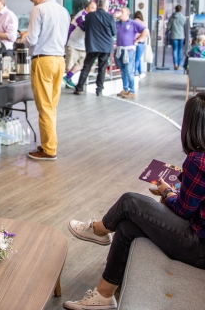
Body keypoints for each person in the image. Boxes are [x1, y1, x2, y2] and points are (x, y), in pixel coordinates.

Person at [64, 92, 205, 310]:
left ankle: (99, 230)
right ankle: (103, 296)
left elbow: (184, 210)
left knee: (130, 201)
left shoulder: (198, 159)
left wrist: (167, 192)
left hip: (198, 246)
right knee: (128, 225)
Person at [21, 0, 70, 161]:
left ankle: (49, 149)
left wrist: (23, 36)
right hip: (59, 60)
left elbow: (32, 39)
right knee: (51, 107)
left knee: (44, 107)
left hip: (43, 61)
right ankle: (48, 143)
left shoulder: (39, 9)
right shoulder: (64, 11)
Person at [73, 0, 116, 97]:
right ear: (106, 7)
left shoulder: (89, 16)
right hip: (105, 47)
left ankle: (79, 88)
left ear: (98, 5)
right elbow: (114, 32)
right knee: (102, 68)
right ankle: (99, 90)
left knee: (86, 67)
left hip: (92, 45)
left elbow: (83, 27)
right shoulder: (110, 17)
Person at [114, 8, 149, 100]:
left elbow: (145, 30)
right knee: (123, 70)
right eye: (120, 11)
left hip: (129, 51)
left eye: (122, 12)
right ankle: (125, 89)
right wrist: (113, 17)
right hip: (119, 50)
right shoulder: (117, 23)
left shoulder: (132, 23)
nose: (120, 13)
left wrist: (138, 40)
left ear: (127, 14)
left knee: (129, 70)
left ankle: (132, 91)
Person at [63, 0, 97, 89]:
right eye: (92, 8)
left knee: (82, 64)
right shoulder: (81, 15)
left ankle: (67, 77)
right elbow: (83, 27)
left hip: (83, 46)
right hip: (73, 44)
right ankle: (67, 80)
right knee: (69, 65)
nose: (94, 10)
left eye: (95, 8)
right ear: (87, 8)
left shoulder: (91, 17)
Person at [167, 4, 187, 70]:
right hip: (181, 36)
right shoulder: (183, 18)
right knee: (180, 50)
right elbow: (185, 26)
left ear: (175, 9)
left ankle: (175, 64)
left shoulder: (171, 18)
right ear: (180, 10)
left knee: (175, 50)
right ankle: (179, 64)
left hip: (173, 36)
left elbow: (168, 28)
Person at [133, 10, 148, 78]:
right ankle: (133, 74)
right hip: (141, 43)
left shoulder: (132, 22)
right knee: (137, 58)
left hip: (133, 42)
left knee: (136, 58)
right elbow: (147, 34)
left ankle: (140, 72)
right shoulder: (143, 23)